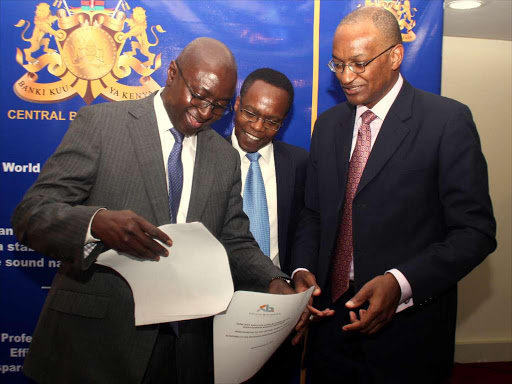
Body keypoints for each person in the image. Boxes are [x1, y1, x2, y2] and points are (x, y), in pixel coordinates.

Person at [11, 37, 295, 384]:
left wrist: (274, 279)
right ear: (171, 73)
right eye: (200, 96)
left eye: (219, 106)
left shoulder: (223, 158)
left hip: (182, 353)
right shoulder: (101, 125)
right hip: (94, 345)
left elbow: (234, 239)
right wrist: (96, 223)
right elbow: (31, 214)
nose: (206, 112)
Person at [291, 7, 496, 384]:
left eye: (358, 63)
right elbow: (312, 213)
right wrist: (303, 269)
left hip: (407, 335)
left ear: (395, 56)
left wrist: (400, 282)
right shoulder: (329, 126)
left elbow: (475, 232)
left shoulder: (446, 121)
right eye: (337, 65)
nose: (346, 77)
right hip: (329, 326)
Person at [227, 68, 308, 383]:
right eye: (250, 113)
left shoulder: (299, 163)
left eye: (272, 121)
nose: (258, 128)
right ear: (236, 104)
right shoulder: (206, 157)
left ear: (284, 122)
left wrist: (300, 275)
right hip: (218, 310)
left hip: (279, 310)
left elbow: (304, 228)